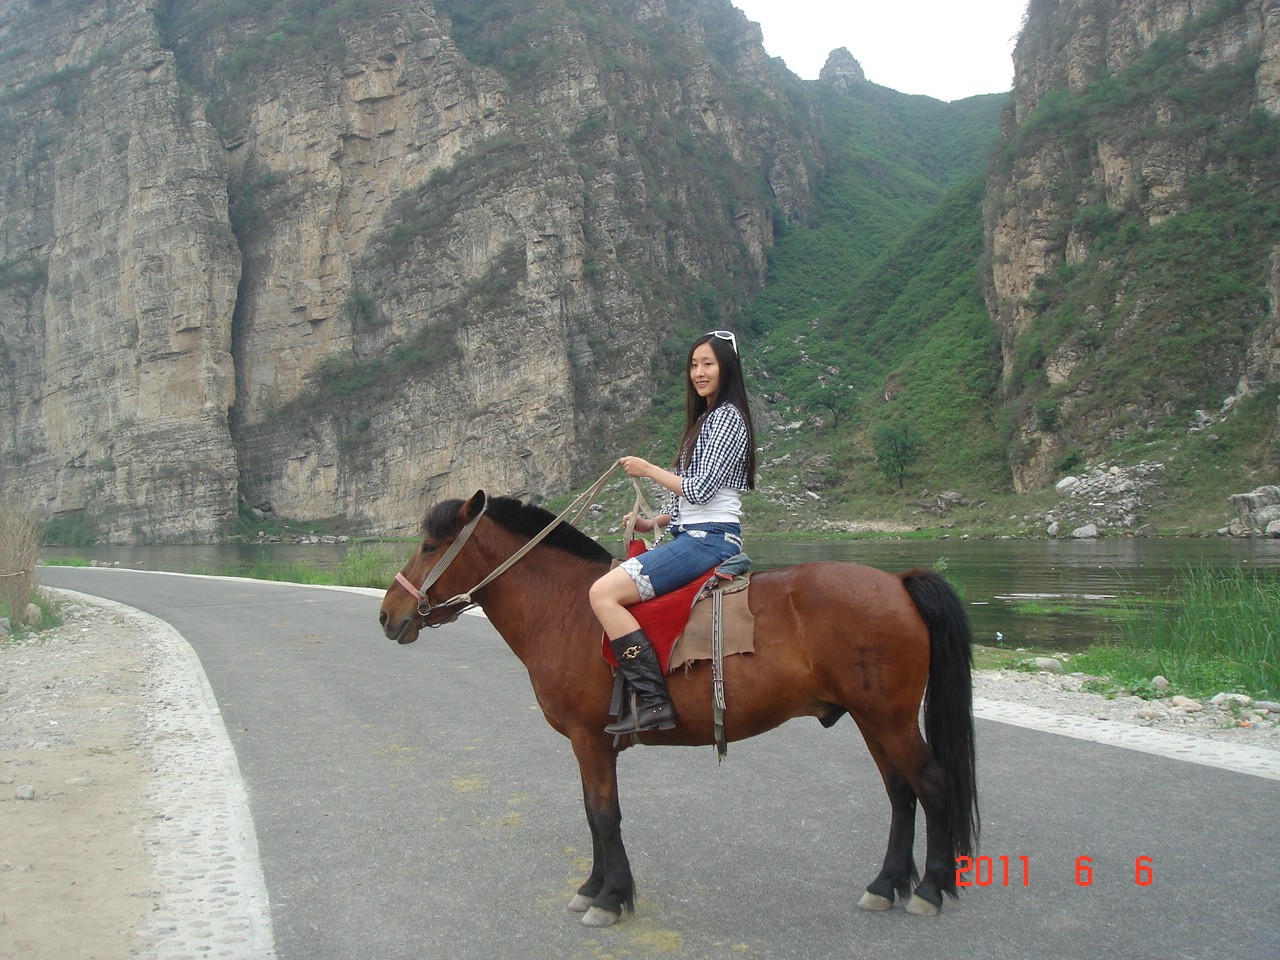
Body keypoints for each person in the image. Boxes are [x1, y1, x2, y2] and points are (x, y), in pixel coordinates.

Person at [589, 330, 757, 734]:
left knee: (602, 593)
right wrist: (651, 524)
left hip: (710, 539)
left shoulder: (727, 418)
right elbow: (687, 500)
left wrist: (647, 469)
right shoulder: (705, 419)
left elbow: (699, 490)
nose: (699, 372)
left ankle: (653, 699)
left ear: (726, 367)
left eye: (708, 364)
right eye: (694, 365)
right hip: (694, 533)